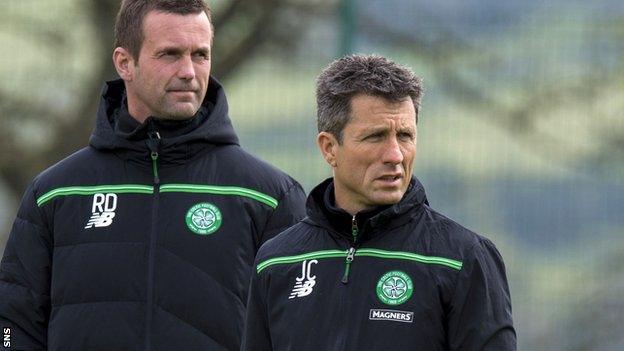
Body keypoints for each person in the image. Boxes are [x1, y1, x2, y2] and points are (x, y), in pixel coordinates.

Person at [0, 1, 306, 350]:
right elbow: (13, 325)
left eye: (200, 55)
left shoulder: (269, 196)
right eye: (170, 54)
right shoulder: (55, 193)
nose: (189, 71)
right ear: (124, 63)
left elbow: (302, 331)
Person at [242, 54, 516, 350]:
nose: (395, 155)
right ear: (329, 148)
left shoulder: (463, 259)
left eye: (405, 136)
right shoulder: (276, 261)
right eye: (376, 136)